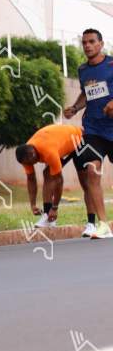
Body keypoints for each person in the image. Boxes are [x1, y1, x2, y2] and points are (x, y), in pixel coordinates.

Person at [64, 28, 113, 239]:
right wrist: (75, 108)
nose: (87, 45)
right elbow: (86, 93)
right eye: (84, 42)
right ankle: (102, 224)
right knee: (92, 171)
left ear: (101, 44)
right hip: (93, 129)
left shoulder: (111, 65)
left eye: (92, 41)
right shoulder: (83, 69)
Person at [15, 122, 85, 228]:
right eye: (26, 164)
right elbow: (31, 179)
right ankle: (48, 217)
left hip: (76, 138)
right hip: (57, 139)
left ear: (33, 155)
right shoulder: (25, 154)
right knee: (47, 173)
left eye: (30, 163)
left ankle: (49, 216)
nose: (30, 165)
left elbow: (59, 180)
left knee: (49, 174)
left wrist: (55, 208)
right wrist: (33, 205)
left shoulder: (48, 152)